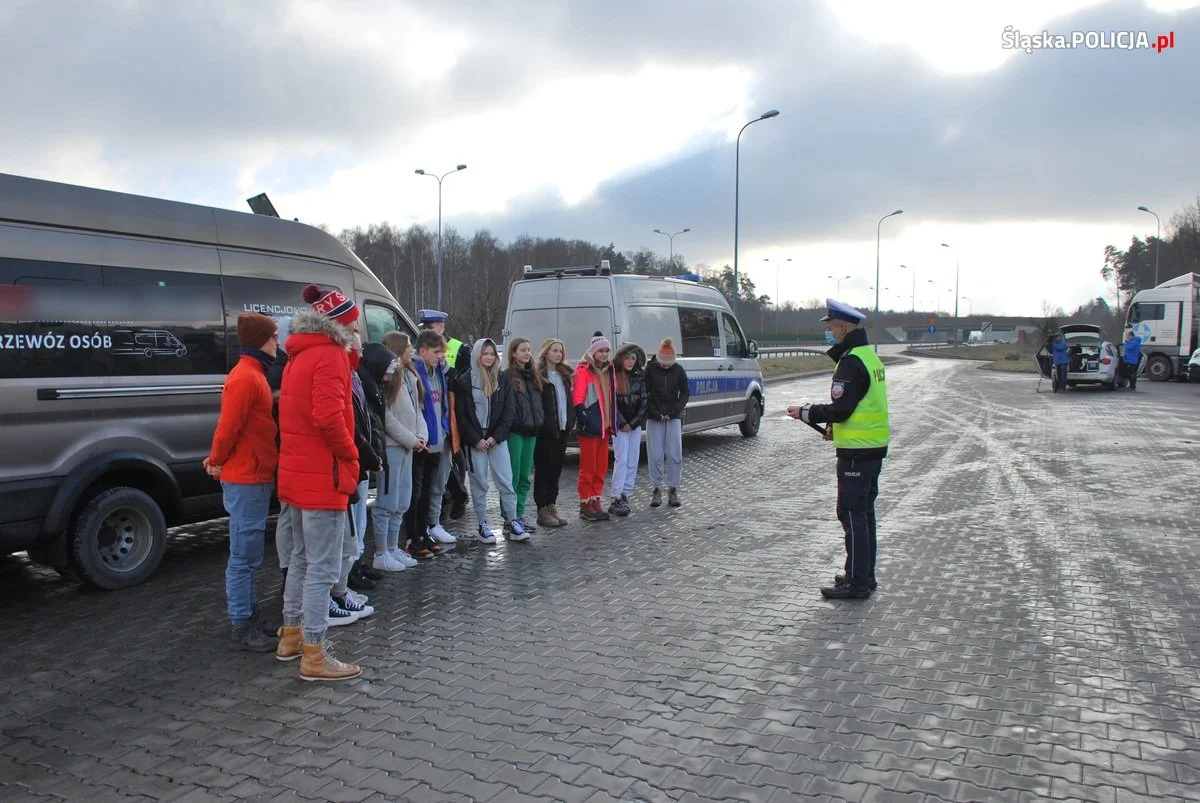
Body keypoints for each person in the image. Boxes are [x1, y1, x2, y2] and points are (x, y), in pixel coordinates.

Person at [275, 284, 363, 681]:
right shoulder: (329, 356)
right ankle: (314, 651)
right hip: (322, 476)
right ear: (340, 326)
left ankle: (291, 635)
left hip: (298, 473)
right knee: (323, 568)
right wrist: (350, 453)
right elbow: (328, 417)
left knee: (300, 559)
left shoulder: (300, 354)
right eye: (353, 325)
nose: (358, 332)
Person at [789, 299, 890, 601]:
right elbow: (860, 404)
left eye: (832, 328)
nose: (829, 333)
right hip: (871, 447)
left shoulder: (850, 361)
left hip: (856, 453)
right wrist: (834, 427)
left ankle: (856, 583)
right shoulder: (869, 356)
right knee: (864, 514)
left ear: (843, 329)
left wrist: (806, 412)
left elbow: (842, 408)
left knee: (851, 515)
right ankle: (863, 574)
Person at [204, 312, 280, 653]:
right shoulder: (246, 377)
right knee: (243, 556)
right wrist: (216, 460)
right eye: (273, 336)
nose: (277, 342)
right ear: (260, 340)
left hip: (254, 475)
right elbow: (227, 427)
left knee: (248, 555)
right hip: (247, 477)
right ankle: (241, 624)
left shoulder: (253, 374)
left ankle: (249, 617)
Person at [456, 338, 528, 543]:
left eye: (492, 354)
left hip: (497, 438)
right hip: (475, 440)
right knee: (479, 481)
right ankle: (482, 524)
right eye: (485, 353)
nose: (488, 358)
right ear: (477, 355)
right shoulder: (465, 381)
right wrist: (475, 439)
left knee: (506, 480)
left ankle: (512, 521)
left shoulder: (501, 378)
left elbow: (509, 410)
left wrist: (496, 437)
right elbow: (462, 415)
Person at [372, 333, 425, 572]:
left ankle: (394, 547)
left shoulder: (409, 377)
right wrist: (411, 439)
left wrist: (421, 435)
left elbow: (418, 411)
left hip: (409, 447)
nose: (410, 351)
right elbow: (387, 418)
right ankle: (381, 551)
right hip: (393, 447)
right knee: (388, 501)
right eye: (408, 347)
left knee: (402, 501)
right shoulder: (386, 380)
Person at [418, 309, 470, 531]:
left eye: (432, 327)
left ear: (442, 326)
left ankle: (438, 517)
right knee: (430, 479)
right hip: (433, 427)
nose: (428, 331)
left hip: (449, 421)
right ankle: (431, 521)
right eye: (426, 328)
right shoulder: (420, 363)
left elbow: (462, 380)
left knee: (448, 468)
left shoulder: (458, 349)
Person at [408, 330, 451, 558]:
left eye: (441, 352)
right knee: (416, 492)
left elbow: (441, 404)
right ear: (422, 351)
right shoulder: (415, 372)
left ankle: (424, 532)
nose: (440, 356)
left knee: (427, 490)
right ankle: (413, 537)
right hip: (422, 441)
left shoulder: (438, 372)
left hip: (437, 440)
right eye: (436, 352)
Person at [573, 332, 616, 521]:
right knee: (588, 468)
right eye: (601, 351)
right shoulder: (584, 371)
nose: (604, 354)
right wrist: (585, 418)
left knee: (601, 467)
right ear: (593, 352)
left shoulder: (608, 371)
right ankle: (585, 503)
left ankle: (596, 499)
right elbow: (578, 398)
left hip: (604, 427)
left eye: (607, 351)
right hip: (591, 425)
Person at [503, 337, 544, 533]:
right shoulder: (507, 376)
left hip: (531, 431)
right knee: (513, 475)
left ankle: (519, 513)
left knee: (525, 477)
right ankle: (509, 517)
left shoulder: (534, 376)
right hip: (516, 432)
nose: (527, 353)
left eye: (528, 350)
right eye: (522, 350)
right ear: (513, 353)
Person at [533, 338, 575, 528]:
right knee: (543, 469)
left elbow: (568, 400)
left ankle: (552, 505)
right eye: (554, 351)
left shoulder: (564, 375)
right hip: (546, 430)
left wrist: (570, 420)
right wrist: (542, 424)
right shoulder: (539, 375)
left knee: (556, 469)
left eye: (560, 351)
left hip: (563, 428)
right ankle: (541, 508)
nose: (558, 354)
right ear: (546, 353)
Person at [644, 337, 689, 509]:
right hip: (654, 416)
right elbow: (645, 394)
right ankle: (656, 488)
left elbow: (685, 393)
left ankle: (673, 488)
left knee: (674, 453)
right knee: (655, 454)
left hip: (673, 416)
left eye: (669, 364)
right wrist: (656, 412)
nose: (666, 367)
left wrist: (674, 411)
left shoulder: (678, 370)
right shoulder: (650, 370)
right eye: (663, 364)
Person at [610, 342, 648, 517]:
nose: (630, 362)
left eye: (633, 358)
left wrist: (633, 423)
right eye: (627, 358)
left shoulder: (640, 376)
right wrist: (622, 422)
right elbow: (612, 402)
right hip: (620, 425)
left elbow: (644, 401)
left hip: (634, 425)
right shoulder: (615, 376)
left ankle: (626, 492)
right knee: (621, 459)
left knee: (633, 459)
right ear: (621, 359)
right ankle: (616, 495)